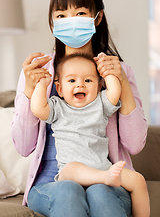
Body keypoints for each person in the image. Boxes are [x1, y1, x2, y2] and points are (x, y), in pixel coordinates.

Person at [11, 0, 148, 216]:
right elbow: (23, 147)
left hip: (106, 181)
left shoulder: (119, 73)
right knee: (68, 190)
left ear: (98, 17)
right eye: (61, 15)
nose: (71, 21)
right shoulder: (40, 73)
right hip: (52, 183)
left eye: (81, 13)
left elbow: (135, 145)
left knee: (100, 192)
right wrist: (28, 92)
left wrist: (122, 83)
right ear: (52, 23)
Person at [31, 52, 150, 217]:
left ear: (99, 85)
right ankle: (104, 178)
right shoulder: (58, 107)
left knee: (139, 181)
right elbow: (37, 109)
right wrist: (42, 84)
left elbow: (114, 91)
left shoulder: (100, 104)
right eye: (72, 80)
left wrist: (107, 72)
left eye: (88, 80)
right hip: (73, 172)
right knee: (71, 167)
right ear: (59, 88)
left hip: (103, 168)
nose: (80, 85)